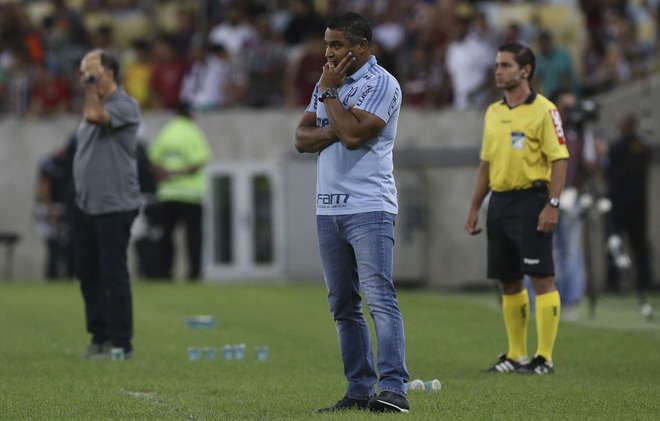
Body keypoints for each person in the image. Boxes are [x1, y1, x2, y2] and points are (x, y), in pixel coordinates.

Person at [294, 12, 410, 413]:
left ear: (362, 46)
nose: (328, 52)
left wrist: (330, 99)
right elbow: (301, 139)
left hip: (369, 207)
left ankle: (394, 389)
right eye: (327, 44)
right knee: (343, 304)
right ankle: (358, 390)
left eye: (337, 45)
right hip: (327, 208)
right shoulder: (326, 82)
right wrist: (335, 128)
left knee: (379, 298)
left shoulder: (383, 84)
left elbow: (357, 135)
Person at [465, 42, 569, 375]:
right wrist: (474, 207)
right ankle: (515, 355)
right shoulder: (493, 112)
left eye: (506, 65)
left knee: (541, 278)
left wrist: (552, 204)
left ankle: (544, 357)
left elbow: (559, 159)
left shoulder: (545, 110)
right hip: (500, 202)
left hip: (532, 200)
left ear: (525, 71)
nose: (499, 71)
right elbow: (485, 164)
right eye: (498, 65)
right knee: (508, 281)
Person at [73, 49, 141, 359]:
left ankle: (121, 343)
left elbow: (93, 116)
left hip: (115, 204)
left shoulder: (124, 105)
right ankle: (99, 337)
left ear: (109, 74)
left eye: (89, 72)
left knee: (113, 274)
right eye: (82, 72)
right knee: (88, 273)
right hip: (88, 205)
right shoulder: (95, 104)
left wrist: (90, 87)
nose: (83, 78)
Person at [148, 102, 212, 280]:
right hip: (191, 196)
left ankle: (164, 274)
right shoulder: (193, 132)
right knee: (193, 239)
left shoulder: (166, 132)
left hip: (167, 194)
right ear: (190, 114)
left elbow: (153, 160)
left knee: (166, 238)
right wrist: (180, 174)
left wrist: (166, 174)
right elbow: (199, 162)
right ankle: (194, 274)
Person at [605, 115, 653, 301]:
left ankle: (613, 282)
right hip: (638, 205)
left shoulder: (616, 147)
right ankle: (644, 281)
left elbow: (606, 171)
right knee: (639, 244)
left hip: (618, 203)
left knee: (614, 243)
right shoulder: (642, 146)